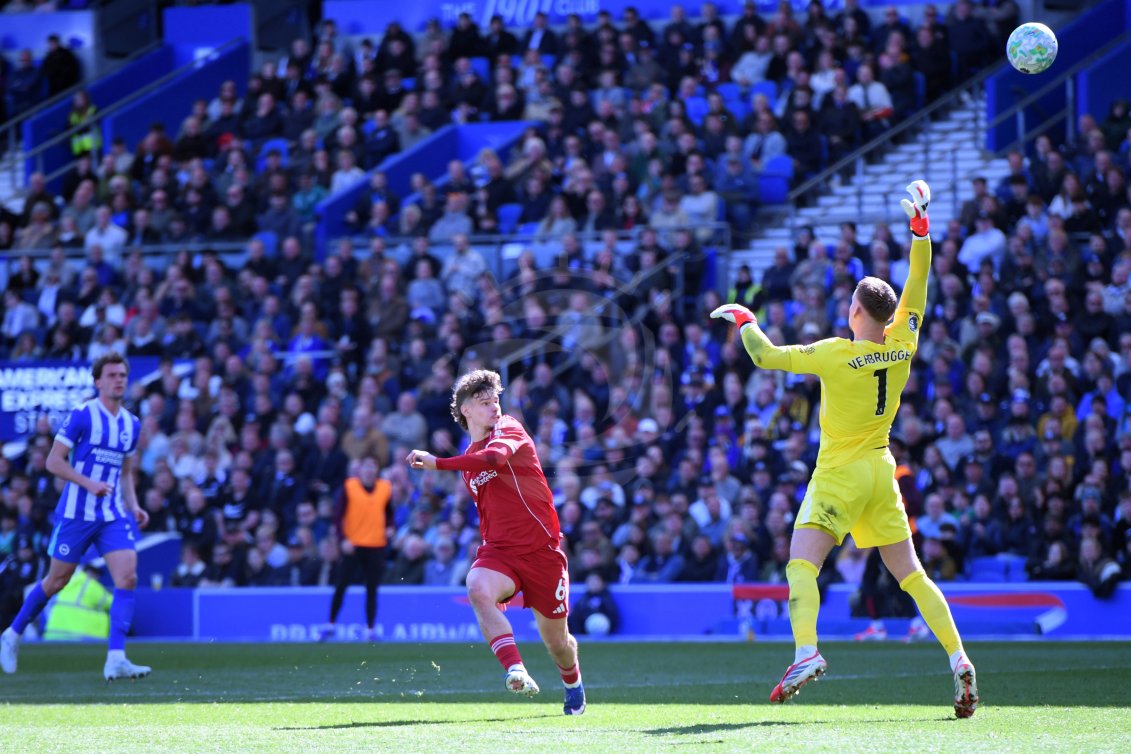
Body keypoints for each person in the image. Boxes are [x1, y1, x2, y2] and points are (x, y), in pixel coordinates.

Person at [711, 181, 978, 719]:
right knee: (913, 575)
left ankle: (805, 652)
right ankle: (959, 659)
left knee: (800, 565)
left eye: (850, 301)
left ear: (857, 311)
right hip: (883, 470)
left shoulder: (835, 353)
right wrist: (920, 229)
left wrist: (745, 320)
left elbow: (764, 358)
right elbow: (919, 284)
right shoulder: (903, 342)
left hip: (839, 472)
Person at [406, 369, 586, 715]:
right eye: (485, 403)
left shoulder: (509, 429)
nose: (494, 408)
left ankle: (572, 682)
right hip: (501, 552)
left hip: (541, 552)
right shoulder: (468, 461)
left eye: (496, 401)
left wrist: (437, 463)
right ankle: (515, 669)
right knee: (476, 586)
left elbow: (494, 459)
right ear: (465, 412)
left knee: (557, 643)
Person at [1, 352, 151, 681]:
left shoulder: (131, 424)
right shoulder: (83, 414)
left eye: (122, 374)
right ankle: (12, 634)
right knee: (57, 581)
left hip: (111, 513)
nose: (119, 379)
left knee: (127, 577)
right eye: (111, 375)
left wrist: (134, 505)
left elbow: (125, 473)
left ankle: (116, 657)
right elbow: (54, 462)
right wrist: (88, 483)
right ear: (98, 382)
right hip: (76, 513)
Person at [325, 457, 391, 641]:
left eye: (373, 466)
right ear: (360, 469)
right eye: (366, 466)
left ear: (377, 470)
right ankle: (330, 624)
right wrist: (342, 540)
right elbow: (338, 517)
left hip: (376, 544)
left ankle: (370, 629)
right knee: (341, 585)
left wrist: (390, 527)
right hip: (352, 545)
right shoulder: (349, 487)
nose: (369, 470)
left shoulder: (385, 488)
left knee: (372, 589)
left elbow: (389, 512)